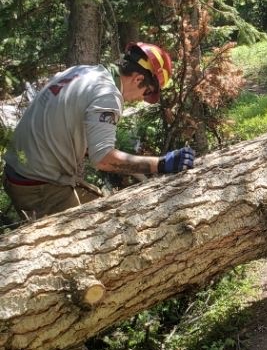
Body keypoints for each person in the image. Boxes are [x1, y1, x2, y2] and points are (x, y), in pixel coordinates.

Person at [3, 41, 195, 221]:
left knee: (101, 205)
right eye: (148, 93)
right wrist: (161, 164)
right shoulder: (107, 95)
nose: (141, 99)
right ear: (138, 79)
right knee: (95, 236)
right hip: (37, 186)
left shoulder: (83, 72)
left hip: (19, 171)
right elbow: (103, 159)